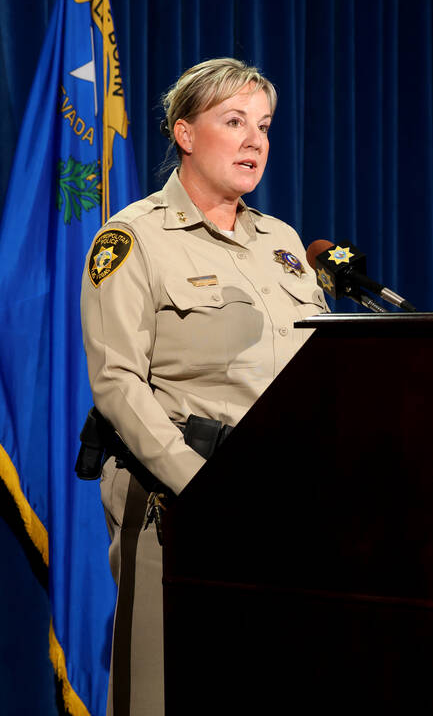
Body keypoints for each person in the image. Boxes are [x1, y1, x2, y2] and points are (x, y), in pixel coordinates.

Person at [80, 58, 328, 715]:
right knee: (161, 690)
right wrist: (199, 488)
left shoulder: (281, 241)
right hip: (177, 500)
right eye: (234, 122)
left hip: (285, 501)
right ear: (185, 134)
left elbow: (322, 368)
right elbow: (117, 382)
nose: (255, 140)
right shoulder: (132, 239)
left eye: (265, 126)